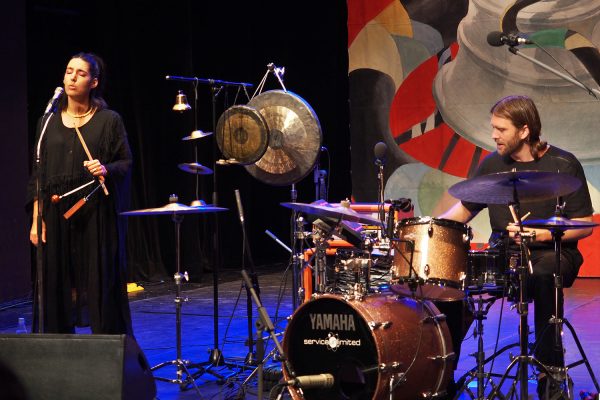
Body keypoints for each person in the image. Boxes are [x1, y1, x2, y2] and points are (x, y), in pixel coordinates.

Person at [439, 95, 593, 399]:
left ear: (524, 130)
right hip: (505, 254)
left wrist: (538, 236)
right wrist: (428, 226)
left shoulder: (563, 164)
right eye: (493, 128)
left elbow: (584, 223)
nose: (494, 135)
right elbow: (463, 210)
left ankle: (551, 370)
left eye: (501, 129)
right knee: (450, 280)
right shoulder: (492, 164)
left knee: (543, 275)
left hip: (554, 251)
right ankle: (443, 371)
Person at [27, 52, 134, 335]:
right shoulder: (47, 122)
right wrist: (37, 218)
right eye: (69, 71)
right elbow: (38, 175)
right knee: (55, 284)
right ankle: (57, 354)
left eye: (81, 74)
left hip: (95, 212)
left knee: (100, 282)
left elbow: (125, 163)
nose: (72, 77)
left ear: (94, 82)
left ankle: (107, 351)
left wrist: (105, 169)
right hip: (55, 210)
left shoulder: (109, 120)